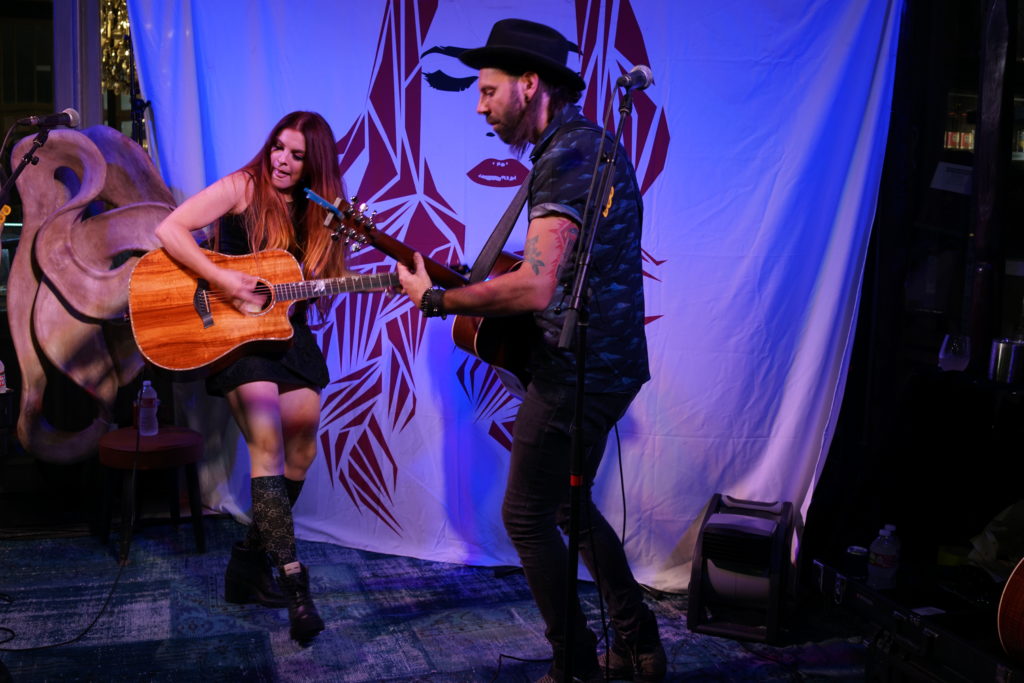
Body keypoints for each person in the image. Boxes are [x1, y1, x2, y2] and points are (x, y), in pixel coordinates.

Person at [396, 18, 665, 683]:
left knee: (526, 511)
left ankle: (576, 661)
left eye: (488, 91)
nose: (480, 105)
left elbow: (540, 286)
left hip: (583, 367)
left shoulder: (568, 155)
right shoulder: (577, 147)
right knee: (566, 507)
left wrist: (438, 301)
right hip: (601, 361)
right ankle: (637, 645)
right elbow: (559, 271)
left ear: (528, 84)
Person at [154, 110, 349, 643]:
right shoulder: (243, 185)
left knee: (303, 439)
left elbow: (320, 282)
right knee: (268, 442)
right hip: (234, 335)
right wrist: (223, 278)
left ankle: (247, 562)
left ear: (317, 165)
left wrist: (336, 245)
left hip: (287, 333)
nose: (282, 161)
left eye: (297, 155)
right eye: (277, 149)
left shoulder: (320, 211)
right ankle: (293, 581)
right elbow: (169, 228)